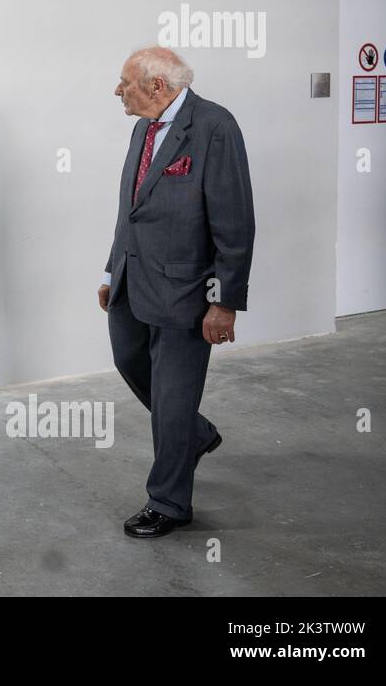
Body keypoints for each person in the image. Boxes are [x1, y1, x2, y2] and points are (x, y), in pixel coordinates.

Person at [100, 47, 255, 538]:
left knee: (172, 398)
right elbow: (131, 209)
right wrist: (111, 271)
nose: (117, 91)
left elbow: (234, 223)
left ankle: (168, 502)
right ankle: (196, 434)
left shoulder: (214, 127)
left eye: (125, 83)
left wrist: (224, 301)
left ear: (157, 86)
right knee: (130, 362)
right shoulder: (143, 127)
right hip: (131, 280)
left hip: (186, 291)